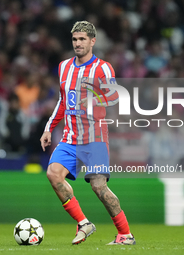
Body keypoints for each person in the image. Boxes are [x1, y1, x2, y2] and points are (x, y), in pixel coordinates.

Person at [40, 21, 135, 245]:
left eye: (82, 39)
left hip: (95, 138)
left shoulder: (103, 68)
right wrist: (48, 128)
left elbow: (116, 95)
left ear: (93, 41)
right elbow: (63, 101)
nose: (78, 43)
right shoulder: (64, 67)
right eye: (75, 39)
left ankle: (125, 234)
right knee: (53, 174)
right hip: (71, 137)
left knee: (99, 187)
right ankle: (84, 223)